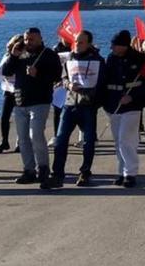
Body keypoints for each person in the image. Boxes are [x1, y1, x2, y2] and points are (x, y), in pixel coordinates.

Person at [2, 27, 62, 187]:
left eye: (32, 39)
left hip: (40, 101)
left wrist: (38, 74)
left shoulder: (48, 54)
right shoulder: (19, 54)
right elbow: (6, 71)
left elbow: (57, 76)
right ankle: (28, 169)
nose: (29, 42)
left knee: (36, 135)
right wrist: (13, 55)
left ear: (40, 39)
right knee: (23, 139)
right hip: (21, 101)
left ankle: (43, 167)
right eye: (26, 39)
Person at [48, 30, 105, 188]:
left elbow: (102, 83)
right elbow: (64, 77)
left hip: (88, 105)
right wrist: (68, 85)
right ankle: (58, 174)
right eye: (76, 42)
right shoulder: (70, 57)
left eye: (81, 42)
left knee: (88, 141)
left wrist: (91, 95)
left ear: (88, 43)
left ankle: (85, 172)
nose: (77, 45)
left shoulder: (98, 60)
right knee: (60, 140)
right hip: (70, 103)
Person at [102, 30, 145, 188]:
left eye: (115, 45)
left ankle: (130, 173)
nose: (112, 48)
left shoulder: (140, 59)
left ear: (124, 45)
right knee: (117, 141)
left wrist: (133, 97)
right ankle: (121, 171)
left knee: (125, 140)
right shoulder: (111, 58)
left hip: (132, 106)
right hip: (113, 105)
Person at [0, 35, 23, 154]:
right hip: (8, 90)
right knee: (4, 117)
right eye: (15, 43)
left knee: (20, 117)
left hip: (20, 90)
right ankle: (4, 141)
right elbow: (2, 69)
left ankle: (20, 142)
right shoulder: (6, 56)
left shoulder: (23, 57)